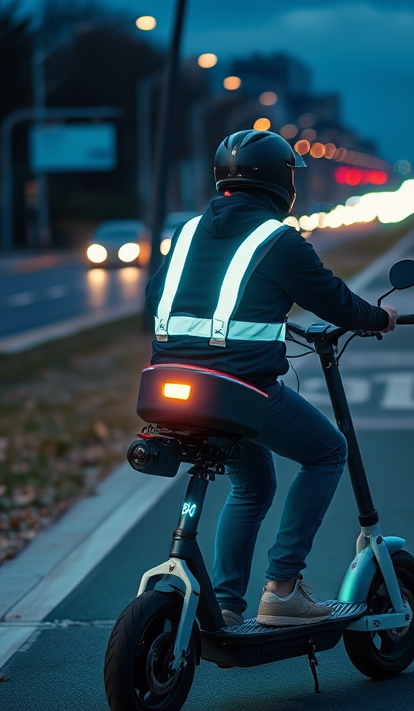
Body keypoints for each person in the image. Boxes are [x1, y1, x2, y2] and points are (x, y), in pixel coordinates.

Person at [145, 130, 397, 627]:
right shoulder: (278, 239)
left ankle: (229, 604)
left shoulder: (189, 231)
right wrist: (380, 318)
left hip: (163, 382)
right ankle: (282, 589)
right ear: (282, 182)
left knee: (253, 484)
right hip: (236, 390)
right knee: (328, 452)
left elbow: (158, 296)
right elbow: (334, 301)